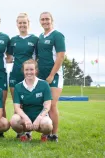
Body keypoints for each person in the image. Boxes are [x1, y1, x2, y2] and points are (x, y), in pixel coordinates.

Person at [36, 12, 66, 142]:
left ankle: (54, 134)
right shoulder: (40, 37)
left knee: (52, 105)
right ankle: (46, 132)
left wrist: (52, 74)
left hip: (54, 75)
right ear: (40, 22)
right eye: (42, 19)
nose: (45, 21)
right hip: (41, 76)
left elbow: (60, 56)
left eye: (47, 19)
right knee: (44, 105)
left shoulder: (57, 35)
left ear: (52, 20)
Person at [10, 59, 53, 142]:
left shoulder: (44, 84)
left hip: (41, 117)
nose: (29, 72)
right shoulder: (18, 87)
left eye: (31, 69)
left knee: (47, 125)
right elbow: (17, 108)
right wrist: (26, 118)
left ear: (36, 70)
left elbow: (47, 106)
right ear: (23, 71)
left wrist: (39, 118)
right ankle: (23, 135)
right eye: (26, 70)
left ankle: (44, 136)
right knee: (14, 120)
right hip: (25, 118)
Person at [7, 13, 38, 99]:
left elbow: (38, 58)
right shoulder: (13, 40)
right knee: (16, 103)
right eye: (20, 23)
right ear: (17, 24)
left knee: (30, 102)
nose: (22, 25)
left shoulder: (35, 39)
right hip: (15, 73)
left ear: (28, 23)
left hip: (30, 73)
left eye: (24, 22)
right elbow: (9, 58)